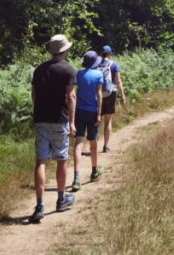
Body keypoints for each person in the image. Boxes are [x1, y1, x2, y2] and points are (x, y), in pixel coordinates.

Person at [30, 34, 77, 223]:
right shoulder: (69, 71)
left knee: (41, 161)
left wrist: (40, 109)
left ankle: (40, 205)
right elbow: (71, 97)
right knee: (61, 159)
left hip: (41, 119)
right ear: (65, 50)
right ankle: (60, 199)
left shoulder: (39, 69)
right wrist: (72, 122)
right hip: (60, 120)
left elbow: (33, 95)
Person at [71, 50, 105, 190]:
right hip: (92, 112)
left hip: (79, 111)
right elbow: (99, 94)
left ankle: (76, 178)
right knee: (93, 142)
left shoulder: (79, 73)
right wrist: (99, 114)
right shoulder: (98, 74)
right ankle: (94, 171)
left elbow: (76, 92)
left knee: (79, 143)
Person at [95, 44, 126, 153]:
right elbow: (118, 81)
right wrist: (122, 95)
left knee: (97, 119)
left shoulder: (96, 64)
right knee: (108, 121)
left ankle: (94, 145)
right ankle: (106, 146)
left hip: (97, 94)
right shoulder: (114, 65)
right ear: (110, 54)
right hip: (110, 93)